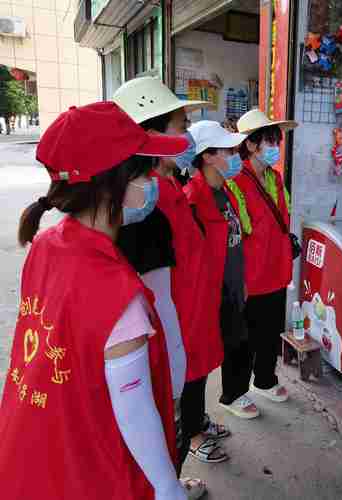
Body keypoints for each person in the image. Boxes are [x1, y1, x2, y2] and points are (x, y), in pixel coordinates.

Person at [0, 102, 189, 499]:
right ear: (114, 184)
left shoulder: (48, 244)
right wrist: (169, 488)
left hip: (31, 450)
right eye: (145, 170)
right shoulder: (118, 293)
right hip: (86, 470)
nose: (154, 179)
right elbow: (135, 413)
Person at [113, 77, 227, 494]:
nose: (188, 138)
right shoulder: (142, 203)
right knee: (163, 423)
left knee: (174, 414)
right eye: (181, 127)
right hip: (165, 338)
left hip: (186, 326)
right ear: (152, 135)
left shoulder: (168, 184)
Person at [217, 109, 298, 419]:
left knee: (269, 333)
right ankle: (233, 393)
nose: (276, 145)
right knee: (242, 339)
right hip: (250, 275)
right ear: (250, 145)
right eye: (269, 140)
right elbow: (234, 235)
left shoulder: (275, 177)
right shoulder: (235, 181)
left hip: (276, 271)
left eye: (276, 139)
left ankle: (265, 380)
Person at [183, 121, 256, 424]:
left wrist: (242, 282)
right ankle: (193, 429)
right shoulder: (192, 199)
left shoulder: (225, 190)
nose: (235, 155)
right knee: (196, 367)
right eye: (228, 150)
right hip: (207, 297)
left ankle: (226, 400)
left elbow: (235, 241)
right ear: (208, 156)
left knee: (236, 345)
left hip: (232, 290)